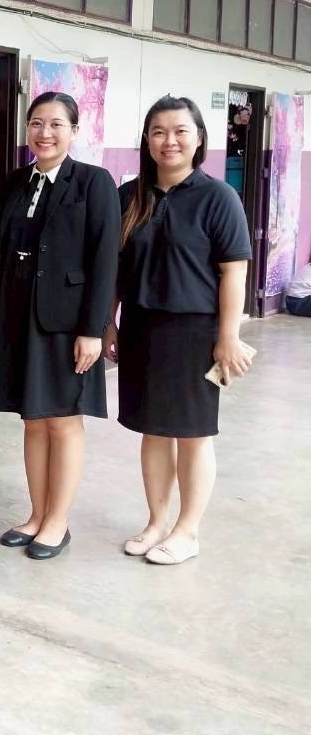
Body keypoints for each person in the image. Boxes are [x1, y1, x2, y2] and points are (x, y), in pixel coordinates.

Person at [105, 96, 252, 565]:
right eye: (159, 132)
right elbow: (114, 270)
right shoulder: (129, 196)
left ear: (199, 139)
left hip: (195, 332)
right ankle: (156, 522)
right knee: (152, 430)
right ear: (147, 141)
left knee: (192, 433)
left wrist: (227, 336)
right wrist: (108, 322)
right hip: (141, 327)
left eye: (180, 131)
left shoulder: (218, 197)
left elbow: (234, 272)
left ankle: (187, 531)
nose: (169, 141)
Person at [0, 92, 120, 559]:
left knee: (62, 420)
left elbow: (105, 261)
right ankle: (37, 514)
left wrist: (94, 329)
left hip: (67, 321)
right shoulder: (15, 181)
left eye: (56, 124)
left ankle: (58, 522)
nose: (44, 133)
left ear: (74, 131)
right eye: (36, 123)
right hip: (19, 315)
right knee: (33, 420)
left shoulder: (93, 182)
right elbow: (0, 256)